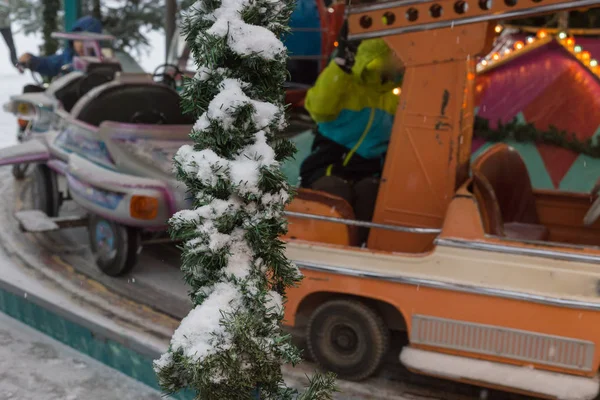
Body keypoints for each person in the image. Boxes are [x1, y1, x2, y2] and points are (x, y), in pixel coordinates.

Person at [299, 23, 403, 243]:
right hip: (330, 161)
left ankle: (360, 251)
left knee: (372, 197)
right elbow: (318, 108)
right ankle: (329, 251)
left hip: (369, 169)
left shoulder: (395, 93)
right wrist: (340, 68)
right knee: (334, 197)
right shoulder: (347, 81)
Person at [18, 16, 103, 79]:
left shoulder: (101, 63)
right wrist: (31, 60)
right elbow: (49, 63)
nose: (80, 45)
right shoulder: (68, 57)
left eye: (85, 41)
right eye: (76, 40)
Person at [0, 0, 17, 67]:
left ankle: (16, 63)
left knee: (11, 46)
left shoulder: (8, 4)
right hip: (4, 26)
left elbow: (12, 9)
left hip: (5, 27)